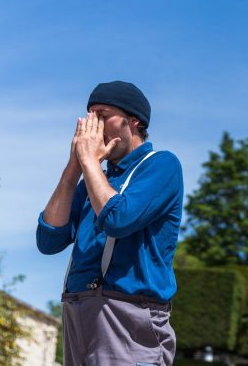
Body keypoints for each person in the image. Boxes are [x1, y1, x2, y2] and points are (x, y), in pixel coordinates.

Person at [36, 80, 183, 366]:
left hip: (127, 315)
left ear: (133, 121)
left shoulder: (161, 165)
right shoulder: (94, 179)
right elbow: (48, 240)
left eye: (102, 116)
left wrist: (90, 163)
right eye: (90, 117)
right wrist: (74, 168)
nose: (94, 128)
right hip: (77, 311)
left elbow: (117, 219)